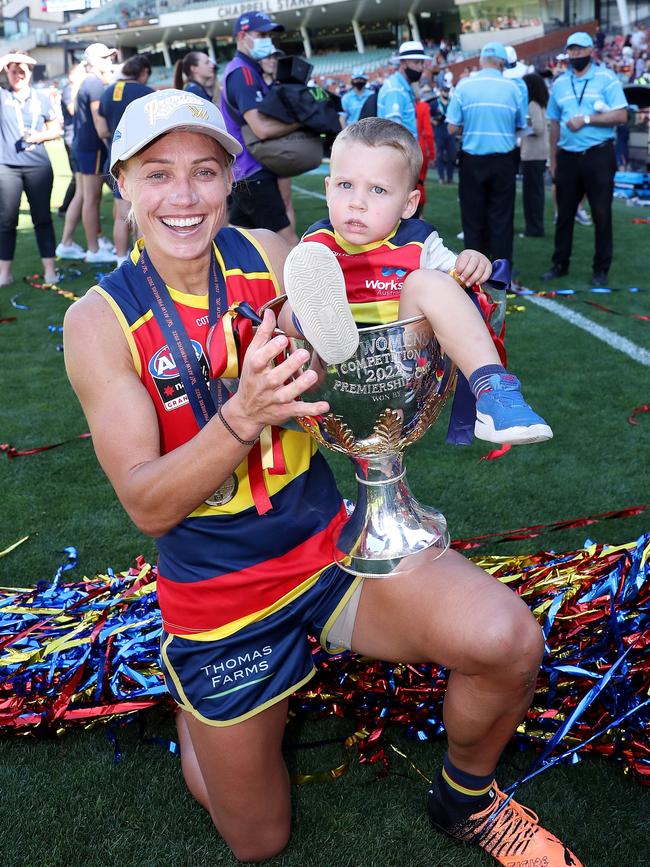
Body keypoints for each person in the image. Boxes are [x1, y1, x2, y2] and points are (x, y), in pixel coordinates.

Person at [63, 89, 581, 867]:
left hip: (328, 545)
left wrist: (438, 310)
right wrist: (243, 415)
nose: (183, 196)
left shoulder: (277, 255)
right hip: (220, 592)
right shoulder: (99, 319)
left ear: (226, 178)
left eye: (204, 172)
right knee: (260, 839)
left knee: (508, 639)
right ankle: (196, 710)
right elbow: (145, 501)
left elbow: (386, 296)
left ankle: (466, 799)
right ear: (123, 182)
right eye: (158, 174)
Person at [279, 118, 552, 446]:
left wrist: (472, 262)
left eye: (377, 190)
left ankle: (493, 391)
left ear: (409, 204)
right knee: (291, 297)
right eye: (345, 185)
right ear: (327, 190)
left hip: (402, 363)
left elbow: (461, 283)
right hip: (336, 371)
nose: (357, 202)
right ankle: (323, 329)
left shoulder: (419, 243)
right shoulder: (317, 244)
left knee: (428, 281)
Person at [541, 32, 628, 286]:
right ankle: (560, 263)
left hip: (598, 154)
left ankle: (601, 269)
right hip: (567, 155)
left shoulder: (606, 78)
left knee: (601, 213)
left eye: (580, 50)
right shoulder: (559, 83)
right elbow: (554, 123)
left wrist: (587, 119)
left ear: (591, 50)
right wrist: (553, 158)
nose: (575, 54)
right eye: (571, 50)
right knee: (564, 213)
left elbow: (622, 115)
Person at [220, 10, 301, 246]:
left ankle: (228, 282)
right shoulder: (243, 72)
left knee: (236, 242)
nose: (267, 39)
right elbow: (261, 128)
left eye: (269, 35)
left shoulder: (246, 69)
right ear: (242, 36)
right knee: (286, 241)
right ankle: (303, 284)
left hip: (246, 170)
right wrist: (299, 122)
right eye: (261, 34)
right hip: (253, 171)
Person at [446, 42, 527, 266]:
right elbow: (520, 124)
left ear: (481, 61)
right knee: (501, 218)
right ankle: (501, 274)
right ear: (502, 62)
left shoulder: (464, 85)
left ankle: (474, 274)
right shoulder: (513, 88)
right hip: (503, 160)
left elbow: (451, 127)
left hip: (473, 159)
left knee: (473, 219)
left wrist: (470, 123)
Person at [0, 52, 62, 287]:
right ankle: (4, 273)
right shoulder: (2, 95)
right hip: (7, 166)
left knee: (42, 218)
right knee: (6, 221)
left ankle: (50, 270)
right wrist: (5, 60)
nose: (19, 75)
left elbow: (55, 128)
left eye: (23, 71)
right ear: (7, 71)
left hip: (38, 165)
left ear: (30, 73)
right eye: (14, 71)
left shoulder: (41, 97)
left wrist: (40, 136)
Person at [96, 54, 153, 266]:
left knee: (121, 215)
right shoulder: (147, 93)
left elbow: (102, 130)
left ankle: (121, 260)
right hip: (139, 161)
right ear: (144, 72)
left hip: (114, 160)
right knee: (140, 213)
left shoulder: (108, 92)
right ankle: (144, 263)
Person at [72, 42, 119, 264]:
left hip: (85, 146)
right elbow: (100, 126)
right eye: (105, 58)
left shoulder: (89, 82)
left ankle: (91, 245)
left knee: (88, 198)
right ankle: (93, 249)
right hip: (92, 147)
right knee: (91, 199)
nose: (110, 61)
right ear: (93, 61)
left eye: (110, 57)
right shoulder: (95, 84)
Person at [377, 40, 429, 138]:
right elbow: (392, 133)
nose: (421, 67)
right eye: (416, 62)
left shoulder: (402, 87)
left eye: (422, 63)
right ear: (403, 63)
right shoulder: (395, 89)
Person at [520, 72, 549, 237]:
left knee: (532, 195)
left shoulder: (532, 105)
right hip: (537, 154)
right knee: (535, 193)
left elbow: (538, 128)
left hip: (533, 154)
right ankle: (534, 227)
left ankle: (534, 228)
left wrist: (523, 129)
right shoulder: (539, 104)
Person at [429, 83, 456, 184]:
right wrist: (433, 120)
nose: (446, 92)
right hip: (439, 132)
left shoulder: (452, 103)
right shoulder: (434, 103)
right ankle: (441, 178)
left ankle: (450, 177)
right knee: (439, 156)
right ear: (440, 91)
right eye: (445, 90)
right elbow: (428, 116)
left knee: (452, 156)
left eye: (448, 90)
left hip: (450, 132)